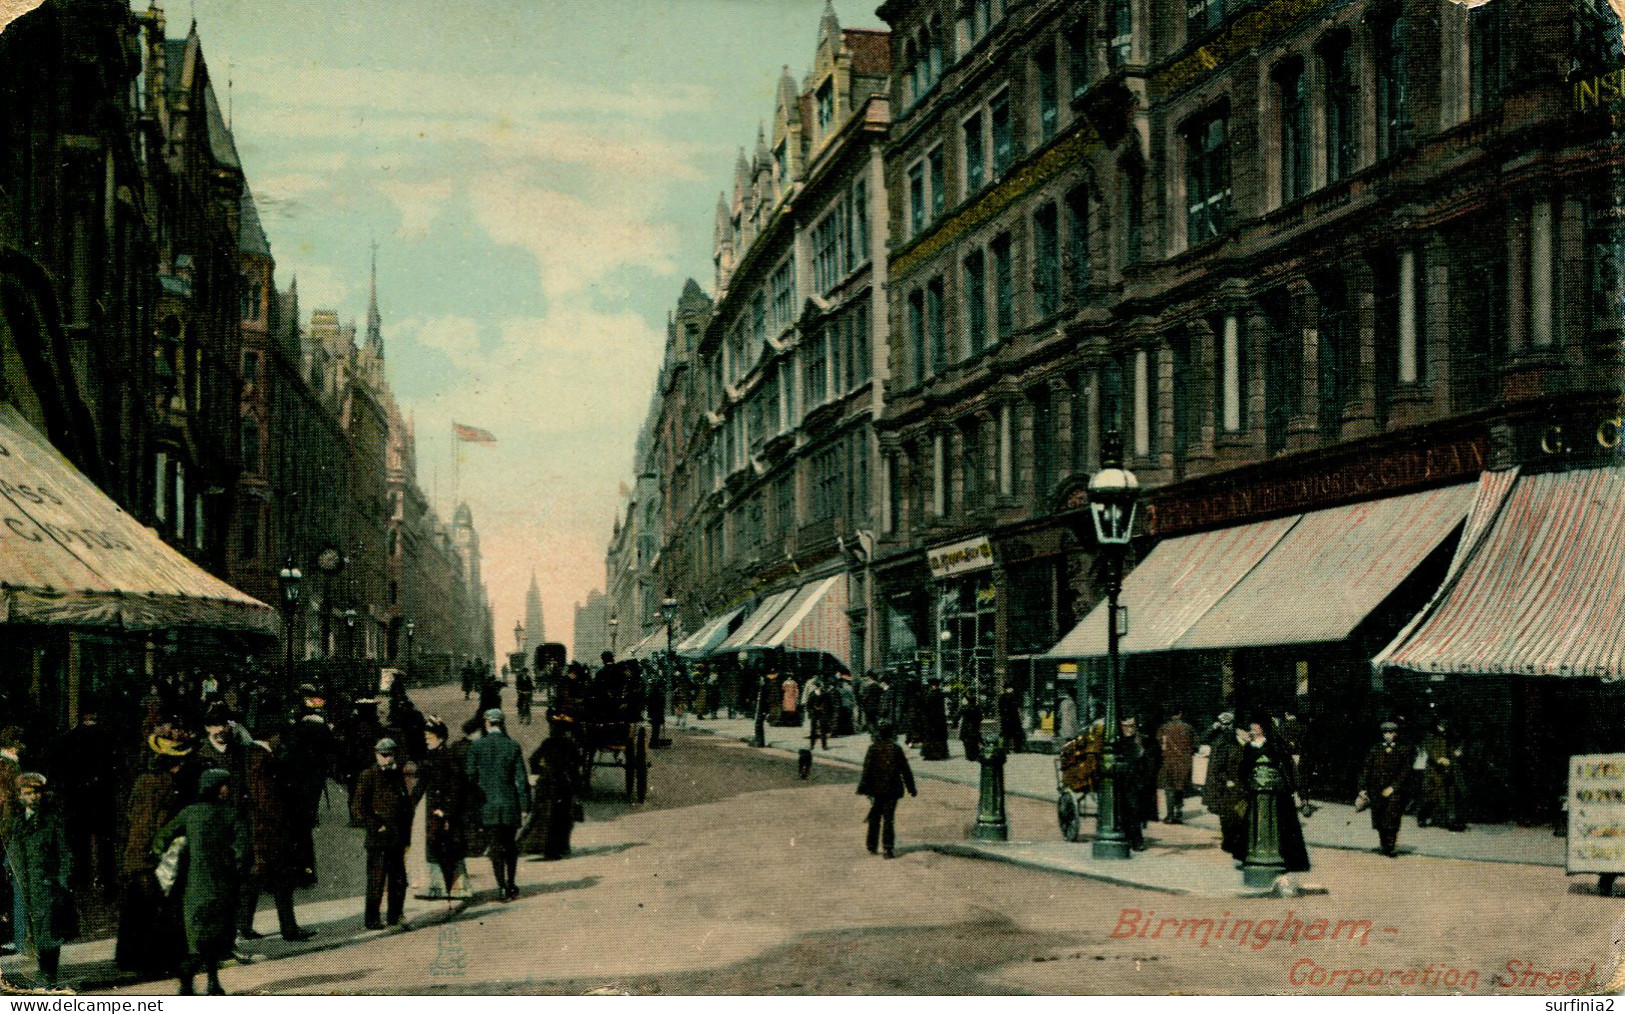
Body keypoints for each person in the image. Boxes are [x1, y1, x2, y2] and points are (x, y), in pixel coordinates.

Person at [153, 768, 248, 996]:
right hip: (222, 885)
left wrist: (172, 857)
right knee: (217, 938)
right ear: (216, 788)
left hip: (194, 885)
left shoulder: (190, 813)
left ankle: (190, 982)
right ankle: (210, 983)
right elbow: (242, 852)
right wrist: (235, 873)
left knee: (197, 937)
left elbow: (161, 839)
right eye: (224, 785)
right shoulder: (231, 814)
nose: (227, 789)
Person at [116, 725, 193, 978]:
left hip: (138, 854)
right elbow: (153, 824)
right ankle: (154, 962)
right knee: (155, 908)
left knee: (139, 909)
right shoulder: (161, 784)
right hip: (150, 857)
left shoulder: (145, 781)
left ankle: (136, 960)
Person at [237, 723, 314, 942]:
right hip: (270, 831)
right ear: (272, 735)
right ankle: (288, 929)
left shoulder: (255, 756)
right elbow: (266, 798)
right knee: (282, 881)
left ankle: (245, 926)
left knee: (256, 881)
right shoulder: (262, 760)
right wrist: (284, 821)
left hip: (261, 830)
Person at [4, 773, 71, 988]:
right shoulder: (19, 823)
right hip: (25, 888)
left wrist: (62, 882)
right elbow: (12, 855)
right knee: (31, 933)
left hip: (46, 885)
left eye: (32, 793)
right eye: (25, 793)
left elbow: (64, 854)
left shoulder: (52, 821)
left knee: (48, 932)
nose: (29, 797)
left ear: (40, 795)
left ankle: (48, 975)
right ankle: (41, 974)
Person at [50, 706, 119, 893]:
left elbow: (60, 770)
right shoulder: (107, 737)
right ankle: (106, 880)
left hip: (77, 797)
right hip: (101, 797)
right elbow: (116, 768)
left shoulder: (68, 739)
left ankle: (81, 879)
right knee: (104, 841)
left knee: (79, 841)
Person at [465, 710, 527, 901]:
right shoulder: (512, 746)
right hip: (509, 805)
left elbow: (470, 777)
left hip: (487, 806)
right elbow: (521, 780)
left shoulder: (476, 747)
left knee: (495, 847)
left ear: (486, 724)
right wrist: (524, 807)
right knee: (510, 846)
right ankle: (510, 884)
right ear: (502, 723)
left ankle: (501, 886)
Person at [353, 738, 413, 930]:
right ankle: (371, 919)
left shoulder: (396, 774)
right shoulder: (368, 775)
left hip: (396, 837)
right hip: (379, 839)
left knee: (398, 880)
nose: (386, 759)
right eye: (383, 755)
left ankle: (395, 916)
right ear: (376, 754)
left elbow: (404, 803)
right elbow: (358, 807)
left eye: (390, 755)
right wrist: (376, 825)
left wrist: (406, 833)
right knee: (376, 881)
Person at [1239, 719, 1310, 873]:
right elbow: (1243, 767)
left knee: (1279, 823)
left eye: (1256, 725)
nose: (1252, 727)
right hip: (1254, 792)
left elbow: (1287, 767)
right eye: (1251, 726)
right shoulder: (1249, 746)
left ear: (1262, 728)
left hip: (1276, 792)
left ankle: (1285, 858)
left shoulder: (1274, 745)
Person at [413, 719, 467, 899]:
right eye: (425, 737)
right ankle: (436, 886)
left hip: (443, 811)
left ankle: (450, 887)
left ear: (441, 738)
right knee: (434, 846)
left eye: (430, 737)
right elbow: (421, 785)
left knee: (445, 848)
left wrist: (446, 810)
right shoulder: (430, 757)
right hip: (430, 809)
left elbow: (457, 786)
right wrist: (409, 805)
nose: (427, 740)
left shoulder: (449, 757)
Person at [521, 725, 581, 861]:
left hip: (546, 782)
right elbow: (575, 768)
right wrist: (577, 788)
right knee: (562, 817)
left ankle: (538, 845)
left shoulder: (547, 743)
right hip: (561, 783)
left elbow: (533, 759)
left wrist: (538, 773)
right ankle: (559, 847)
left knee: (541, 815)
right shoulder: (569, 745)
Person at [857, 723, 916, 858]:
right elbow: (905, 770)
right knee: (889, 819)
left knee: (875, 817)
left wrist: (863, 788)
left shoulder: (873, 749)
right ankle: (888, 849)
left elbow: (867, 771)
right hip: (892, 789)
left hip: (876, 790)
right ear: (891, 735)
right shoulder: (896, 749)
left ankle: (872, 846)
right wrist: (911, 788)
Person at [1360, 721, 1411, 858]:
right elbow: (1367, 769)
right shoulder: (1376, 749)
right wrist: (1362, 788)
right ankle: (1384, 844)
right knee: (1379, 818)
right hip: (1376, 789)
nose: (1387, 735)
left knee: (1392, 818)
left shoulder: (1402, 750)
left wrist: (1393, 787)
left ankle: (1391, 845)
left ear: (1395, 734)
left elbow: (1405, 772)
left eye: (1390, 733)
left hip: (1393, 791)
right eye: (1385, 733)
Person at [1203, 714, 1248, 862]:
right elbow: (1203, 739)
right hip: (1221, 782)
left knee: (1232, 812)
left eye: (1229, 724)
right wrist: (1213, 727)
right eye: (1224, 723)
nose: (1226, 726)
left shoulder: (1236, 738)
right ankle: (1228, 841)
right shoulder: (1219, 737)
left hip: (1232, 781)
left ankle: (1230, 842)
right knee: (1226, 813)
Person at [1418, 717, 1468, 831]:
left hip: (1447, 771)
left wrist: (1456, 754)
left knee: (1448, 796)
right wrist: (1439, 759)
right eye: (1441, 725)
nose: (1443, 728)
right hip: (1433, 771)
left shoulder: (1449, 736)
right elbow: (1430, 750)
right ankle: (1422, 816)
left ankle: (1450, 821)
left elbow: (1451, 750)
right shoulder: (1430, 736)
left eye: (1445, 726)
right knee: (1431, 797)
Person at [1115, 717, 1153, 851]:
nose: (1129, 729)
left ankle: (1136, 840)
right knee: (1124, 811)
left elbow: (1145, 764)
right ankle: (1130, 838)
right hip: (1121, 782)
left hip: (1135, 783)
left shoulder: (1140, 741)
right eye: (1125, 726)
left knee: (1134, 811)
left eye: (1131, 726)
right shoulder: (1117, 742)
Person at [1156, 709, 1195, 824]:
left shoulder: (1164, 728)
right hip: (1184, 761)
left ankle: (1170, 815)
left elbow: (1160, 743)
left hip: (1169, 761)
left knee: (1169, 787)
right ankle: (1178, 812)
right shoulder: (1188, 727)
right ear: (1180, 714)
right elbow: (1194, 743)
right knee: (1180, 786)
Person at [918, 679, 950, 761]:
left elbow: (926, 708)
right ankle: (941, 753)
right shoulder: (941, 695)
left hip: (932, 719)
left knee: (931, 737)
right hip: (940, 719)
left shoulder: (930, 695)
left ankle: (931, 754)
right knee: (939, 737)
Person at [998, 687, 1026, 754]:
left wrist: (1003, 716)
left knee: (1006, 735)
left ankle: (1006, 749)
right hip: (1014, 719)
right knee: (1016, 735)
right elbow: (1017, 707)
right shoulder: (1014, 696)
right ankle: (1017, 749)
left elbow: (1000, 709)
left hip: (1006, 719)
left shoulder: (1002, 697)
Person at [957, 696, 983, 761]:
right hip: (975, 727)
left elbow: (957, 716)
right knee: (975, 741)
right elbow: (980, 717)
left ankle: (969, 756)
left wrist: (954, 724)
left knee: (967, 742)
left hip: (966, 728)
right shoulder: (977, 708)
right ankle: (975, 755)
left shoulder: (964, 708)